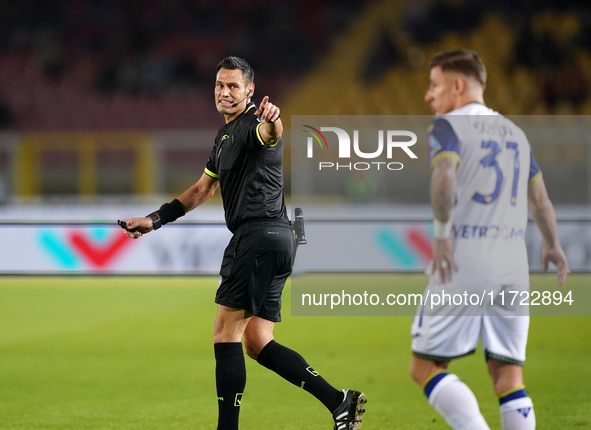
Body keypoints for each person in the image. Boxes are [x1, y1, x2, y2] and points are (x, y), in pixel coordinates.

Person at [121, 56, 366, 430]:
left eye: (233, 86)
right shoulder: (223, 137)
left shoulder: (253, 125)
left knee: (225, 331)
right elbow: (202, 191)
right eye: (220, 85)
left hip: (256, 234)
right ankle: (338, 402)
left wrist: (273, 119)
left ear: (249, 91)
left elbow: (272, 133)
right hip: (281, 237)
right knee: (255, 339)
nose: (224, 92)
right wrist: (154, 220)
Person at [409, 49, 570, 430]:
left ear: (458, 85)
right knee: (508, 376)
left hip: (465, 261)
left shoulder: (448, 127)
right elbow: (540, 200)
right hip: (513, 268)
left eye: (434, 85)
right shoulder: (516, 132)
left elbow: (444, 176)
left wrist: (443, 236)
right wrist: (552, 244)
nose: (429, 95)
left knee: (425, 367)